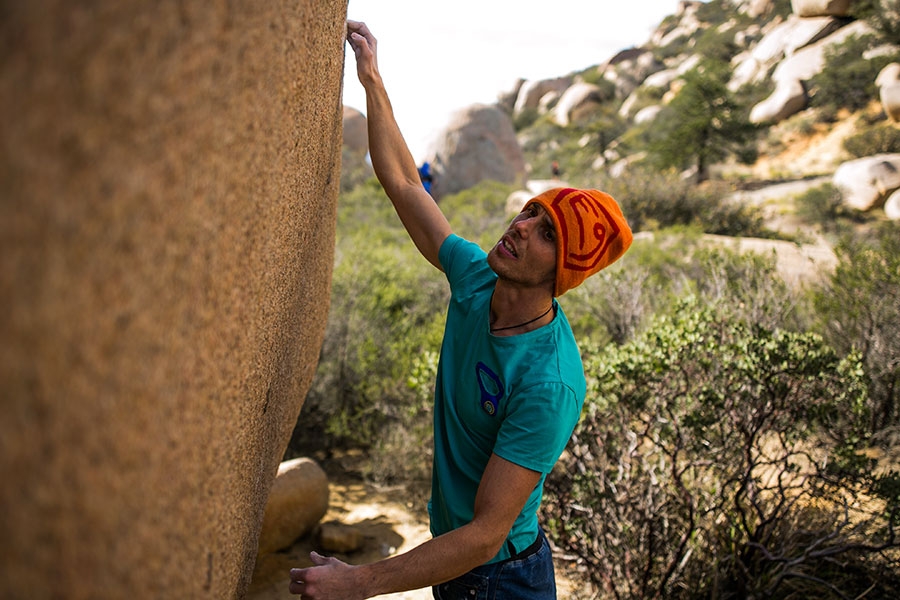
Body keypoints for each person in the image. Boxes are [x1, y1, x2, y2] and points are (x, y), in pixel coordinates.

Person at [289, 20, 633, 600]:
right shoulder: (476, 278)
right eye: (528, 212)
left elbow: (483, 535)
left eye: (545, 232)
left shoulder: (547, 381)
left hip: (502, 578)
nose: (520, 227)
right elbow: (403, 183)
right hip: (458, 567)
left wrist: (362, 582)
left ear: (564, 269)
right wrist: (372, 79)